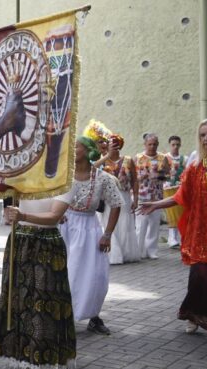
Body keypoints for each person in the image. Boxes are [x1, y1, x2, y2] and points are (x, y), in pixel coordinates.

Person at [140, 117, 207, 336]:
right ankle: (195, 314)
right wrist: (156, 204)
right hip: (203, 233)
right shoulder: (196, 168)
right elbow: (182, 195)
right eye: (203, 135)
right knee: (201, 277)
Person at [0, 192, 76, 369]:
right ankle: (20, 356)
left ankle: (42, 361)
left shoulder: (64, 179)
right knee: (18, 301)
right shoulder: (25, 176)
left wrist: (23, 216)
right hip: (20, 241)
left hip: (46, 245)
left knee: (44, 302)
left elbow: (54, 216)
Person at [60, 136, 123, 335]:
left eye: (76, 146)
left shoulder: (103, 178)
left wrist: (107, 234)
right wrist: (56, 212)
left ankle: (94, 317)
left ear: (87, 151)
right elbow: (48, 195)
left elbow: (116, 204)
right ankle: (62, 315)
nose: (71, 149)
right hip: (64, 226)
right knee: (65, 272)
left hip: (89, 228)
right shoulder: (62, 174)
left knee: (94, 274)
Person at [99, 134, 142, 264]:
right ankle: (112, 255)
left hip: (124, 195)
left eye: (116, 143)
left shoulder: (128, 160)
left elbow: (135, 180)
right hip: (107, 197)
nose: (113, 146)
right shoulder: (102, 160)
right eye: (111, 143)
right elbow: (92, 170)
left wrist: (135, 199)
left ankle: (125, 253)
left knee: (124, 223)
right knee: (108, 222)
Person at [134, 133, 174, 259]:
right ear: (145, 144)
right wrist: (144, 176)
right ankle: (139, 250)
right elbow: (133, 178)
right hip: (142, 195)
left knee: (154, 224)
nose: (152, 146)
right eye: (150, 144)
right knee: (141, 224)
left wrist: (160, 175)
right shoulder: (138, 157)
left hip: (156, 196)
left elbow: (169, 175)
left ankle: (151, 250)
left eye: (154, 144)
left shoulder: (163, 158)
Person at [165, 135, 189, 248]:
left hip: (179, 188)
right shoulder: (165, 158)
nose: (175, 147)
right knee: (171, 212)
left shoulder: (184, 158)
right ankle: (171, 238)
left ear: (180, 145)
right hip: (167, 188)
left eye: (177, 144)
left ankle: (179, 237)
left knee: (180, 212)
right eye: (173, 144)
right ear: (170, 145)